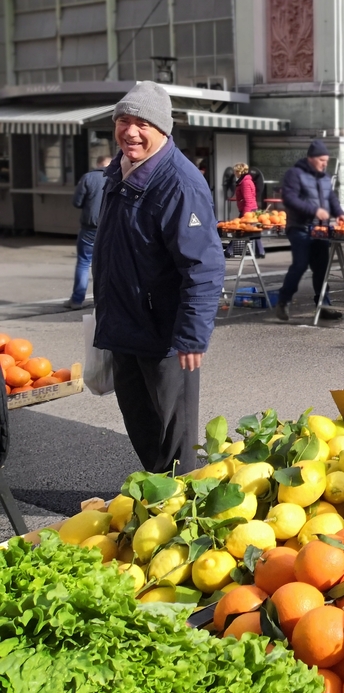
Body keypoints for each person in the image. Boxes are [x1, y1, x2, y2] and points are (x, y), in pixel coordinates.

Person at [92, 81, 224, 473]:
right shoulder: (118, 172)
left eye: (142, 124)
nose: (130, 131)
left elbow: (204, 266)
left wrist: (192, 335)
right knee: (141, 422)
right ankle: (156, 491)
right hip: (124, 323)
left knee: (174, 437)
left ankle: (180, 502)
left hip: (164, 334)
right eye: (123, 121)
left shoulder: (180, 183)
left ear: (162, 130)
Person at [275, 140, 344, 321]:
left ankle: (324, 305)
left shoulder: (325, 177)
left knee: (321, 268)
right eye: (322, 160)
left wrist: (339, 213)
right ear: (311, 158)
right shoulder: (295, 174)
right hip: (300, 227)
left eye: (326, 161)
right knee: (300, 265)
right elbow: (289, 199)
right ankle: (283, 301)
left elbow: (331, 198)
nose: (324, 164)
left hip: (320, 229)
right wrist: (314, 210)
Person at [66, 155, 111, 309]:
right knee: (107, 265)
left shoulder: (88, 178)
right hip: (109, 229)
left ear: (98, 164)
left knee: (84, 263)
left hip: (89, 228)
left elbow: (77, 202)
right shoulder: (118, 177)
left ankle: (77, 300)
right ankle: (104, 301)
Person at [232, 163, 266, 258]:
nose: (234, 173)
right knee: (253, 230)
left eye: (235, 171)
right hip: (250, 209)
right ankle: (261, 251)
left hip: (247, 210)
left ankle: (229, 250)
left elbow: (248, 199)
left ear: (240, 171)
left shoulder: (245, 182)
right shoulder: (245, 181)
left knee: (238, 229)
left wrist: (245, 214)